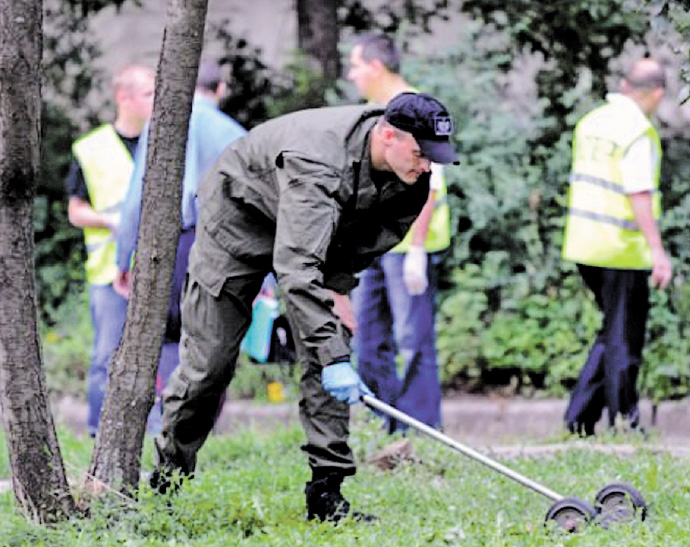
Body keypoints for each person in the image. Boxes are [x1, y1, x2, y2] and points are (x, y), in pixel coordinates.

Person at [149, 92, 459, 523]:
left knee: (330, 344)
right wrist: (333, 354)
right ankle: (167, 481)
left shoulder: (411, 179)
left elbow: (363, 243)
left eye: (435, 157)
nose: (428, 165)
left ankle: (326, 495)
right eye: (422, 153)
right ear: (388, 135)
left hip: (319, 237)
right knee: (210, 363)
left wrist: (338, 293)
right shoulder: (317, 161)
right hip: (238, 223)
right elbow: (295, 270)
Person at [114, 61, 247, 434]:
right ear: (220, 89)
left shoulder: (162, 127)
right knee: (213, 334)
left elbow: (136, 201)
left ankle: (167, 423)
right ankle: (201, 425)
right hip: (226, 247)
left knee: (168, 332)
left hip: (177, 242)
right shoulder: (235, 133)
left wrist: (124, 258)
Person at [561, 58, 672, 436]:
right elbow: (638, 192)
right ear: (656, 93)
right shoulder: (637, 131)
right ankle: (625, 420)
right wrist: (656, 250)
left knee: (612, 330)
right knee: (625, 335)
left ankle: (579, 418)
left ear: (624, 84)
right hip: (620, 247)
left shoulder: (592, 122)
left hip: (584, 243)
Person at [346, 33, 450, 433]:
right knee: (369, 341)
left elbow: (432, 184)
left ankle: (423, 430)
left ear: (375, 67)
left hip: (408, 248)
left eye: (356, 66)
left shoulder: (418, 111)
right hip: (373, 247)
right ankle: (382, 427)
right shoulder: (374, 113)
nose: (352, 74)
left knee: (413, 342)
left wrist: (418, 250)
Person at [65, 64, 155, 437]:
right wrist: (113, 222)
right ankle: (97, 431)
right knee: (106, 356)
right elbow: (75, 211)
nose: (156, 101)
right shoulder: (91, 148)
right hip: (108, 274)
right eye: (149, 94)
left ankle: (154, 431)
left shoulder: (164, 141)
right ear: (124, 97)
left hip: (156, 269)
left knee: (157, 355)